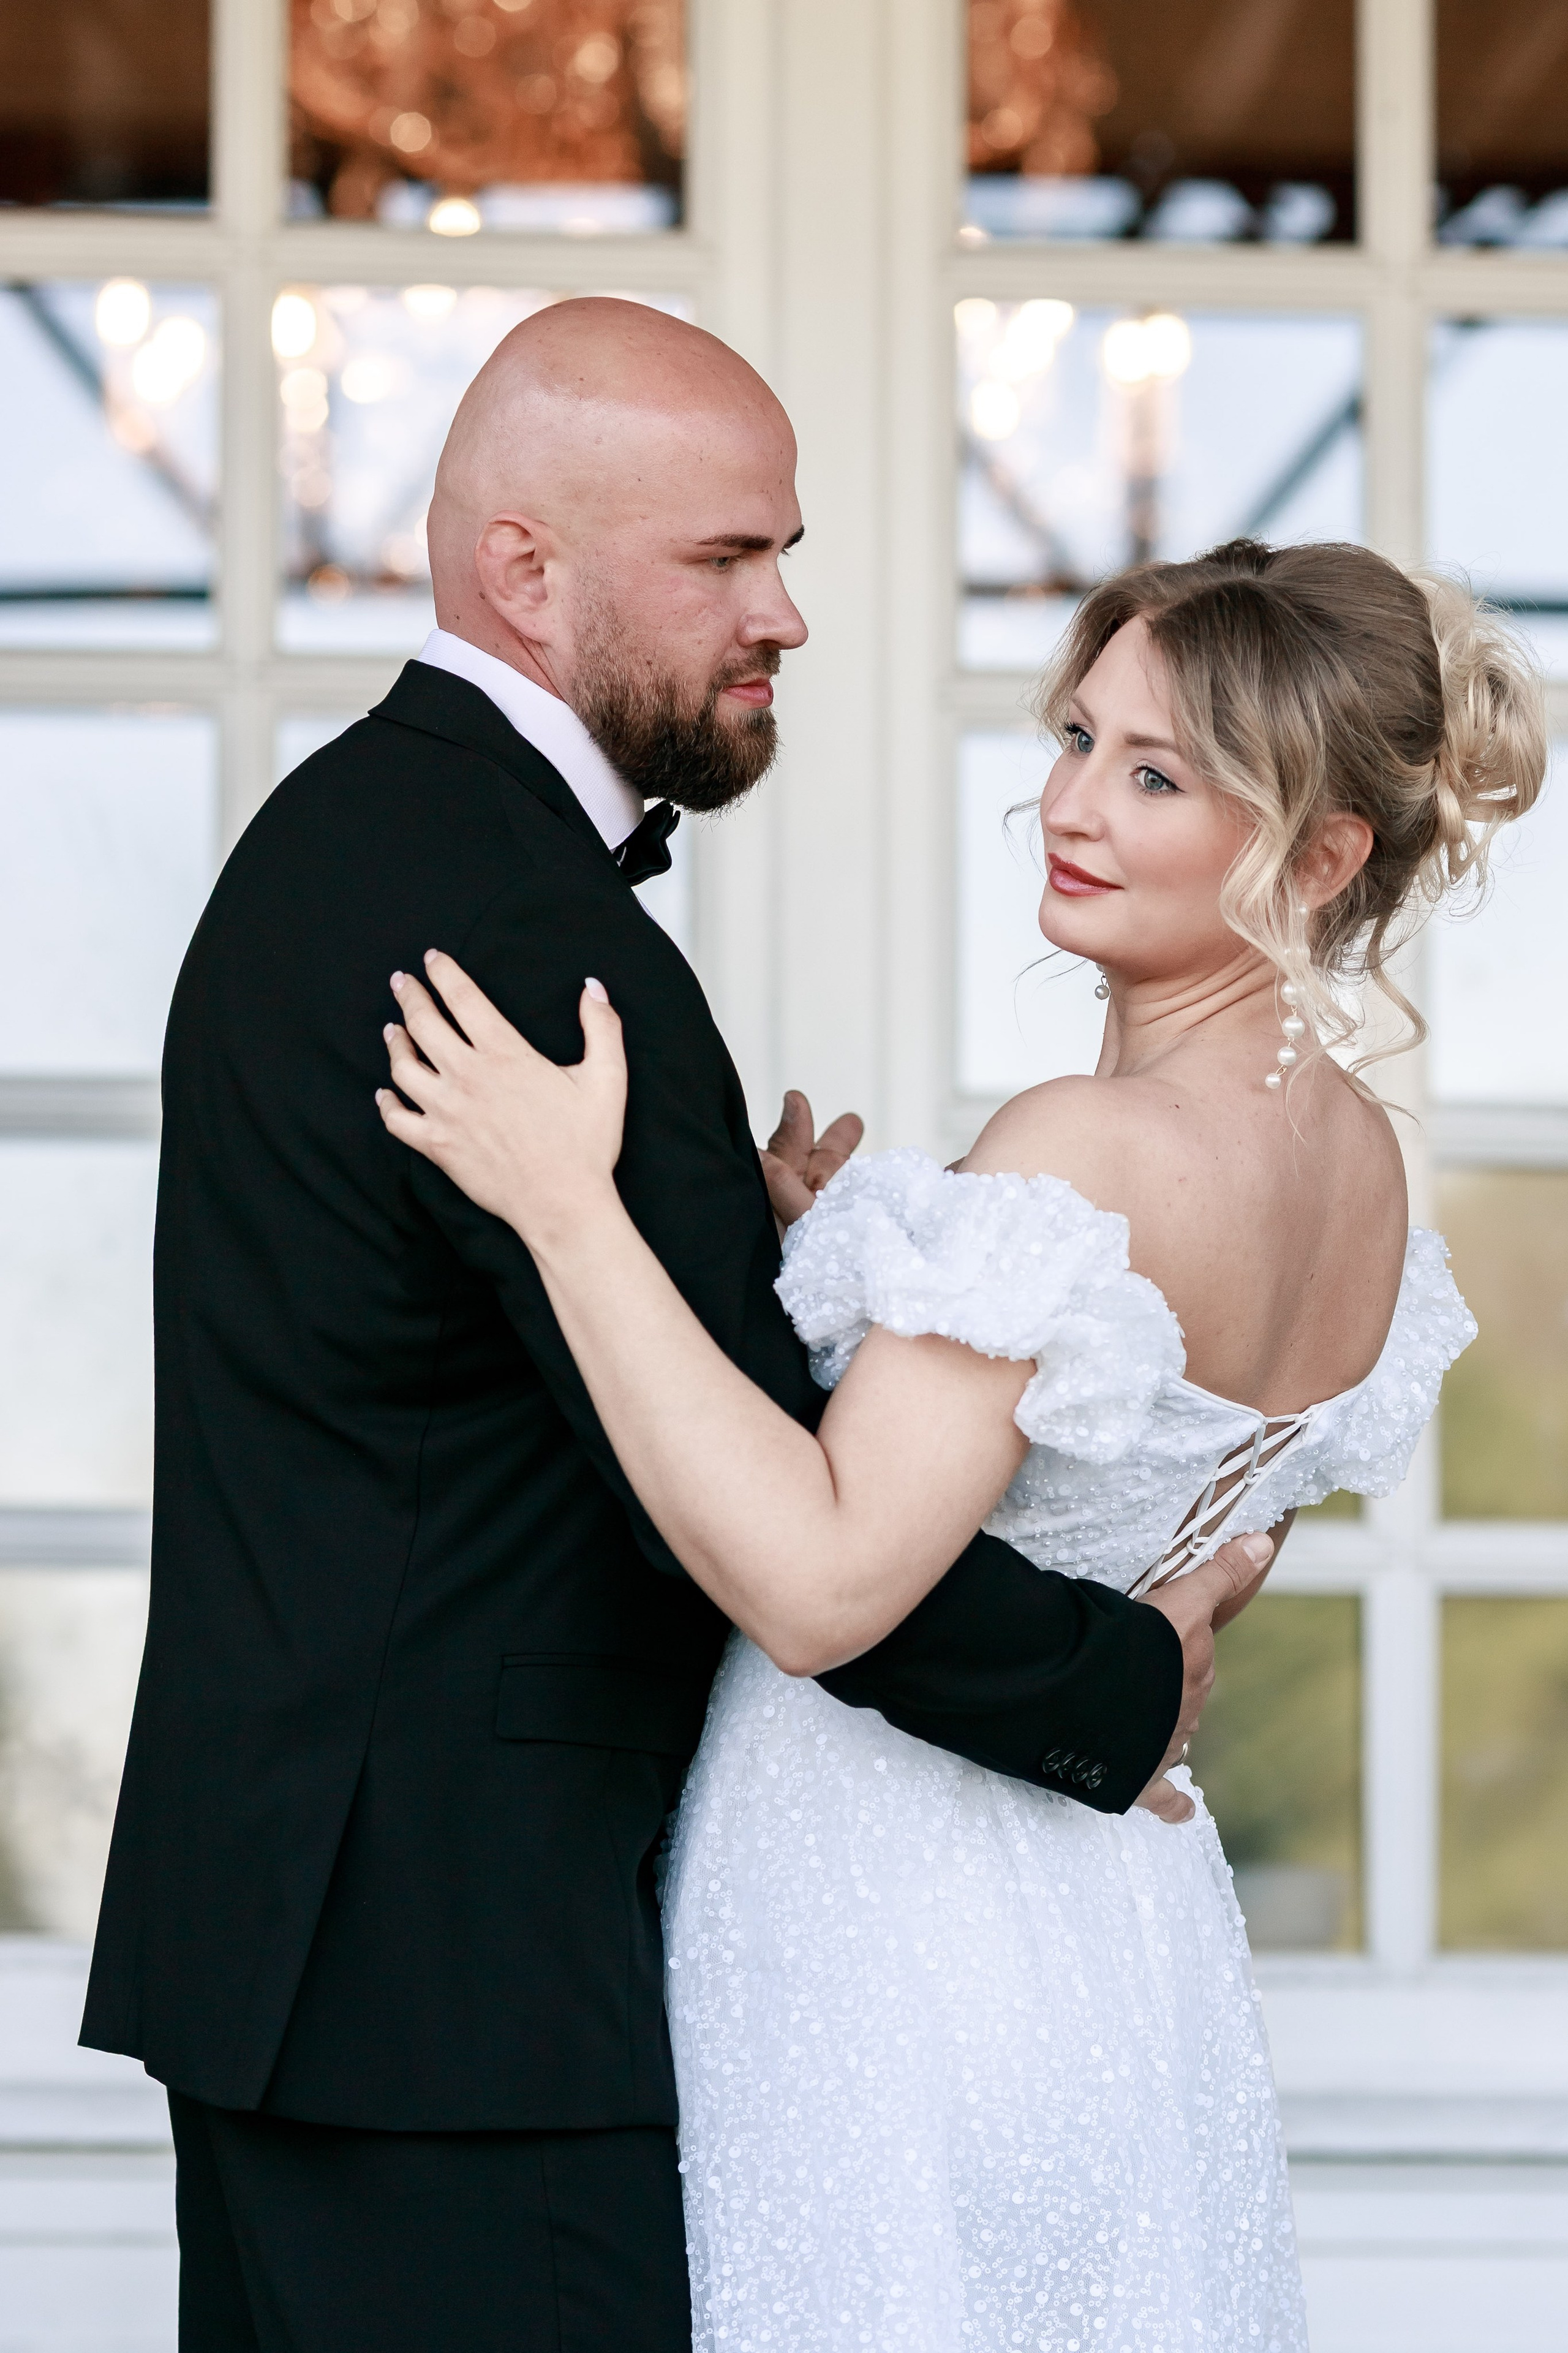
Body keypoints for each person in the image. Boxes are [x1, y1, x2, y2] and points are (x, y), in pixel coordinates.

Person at [80, 299, 1254, 2352]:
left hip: (329, 1970)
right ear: (523, 568)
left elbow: (543, 1404)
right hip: (472, 2010)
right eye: (729, 557)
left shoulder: (352, 839)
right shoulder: (532, 934)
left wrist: (775, 1275)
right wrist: (1115, 1677)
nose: (788, 612)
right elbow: (761, 1525)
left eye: (782, 552)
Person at [371, 535, 1545, 2351]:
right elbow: (1176, 1542)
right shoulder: (1365, 1174)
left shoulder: (1088, 1140)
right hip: (1115, 1934)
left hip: (887, 1919)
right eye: (1078, 735)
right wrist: (820, 1291)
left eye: (1155, 775)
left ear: (1322, 855)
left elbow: (826, 1584)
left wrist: (564, 1209)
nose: (1068, 804)